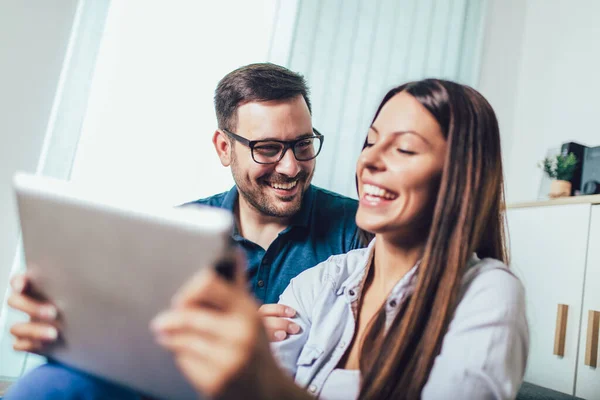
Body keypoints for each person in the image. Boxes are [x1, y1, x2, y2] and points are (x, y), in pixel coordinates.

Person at [150, 79, 529, 400]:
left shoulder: (486, 292)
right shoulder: (323, 280)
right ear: (224, 147)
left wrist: (259, 373)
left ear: (459, 177)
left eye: (404, 148)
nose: (368, 161)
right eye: (370, 142)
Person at [4, 63, 364, 399]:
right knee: (54, 380)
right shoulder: (178, 232)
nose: (291, 167)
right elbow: (139, 336)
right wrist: (67, 319)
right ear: (225, 148)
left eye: (302, 145)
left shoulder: (358, 229)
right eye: (267, 149)